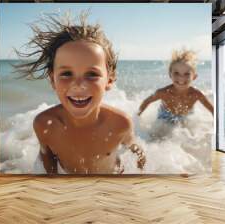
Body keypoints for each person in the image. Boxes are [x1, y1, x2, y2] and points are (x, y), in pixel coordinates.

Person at [15, 13, 145, 174]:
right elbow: (47, 158)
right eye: (67, 73)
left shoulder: (120, 123)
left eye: (91, 74)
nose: (78, 85)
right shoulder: (45, 124)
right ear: (52, 79)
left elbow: (137, 153)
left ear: (109, 80)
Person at [138, 49, 213, 124]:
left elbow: (212, 109)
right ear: (170, 75)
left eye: (187, 74)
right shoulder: (163, 92)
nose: (181, 78)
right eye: (176, 73)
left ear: (194, 76)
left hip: (185, 116)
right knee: (159, 133)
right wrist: (138, 117)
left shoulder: (196, 94)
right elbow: (147, 101)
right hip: (165, 116)